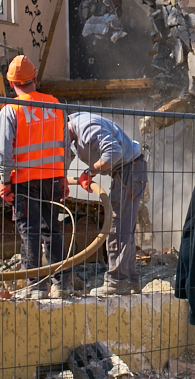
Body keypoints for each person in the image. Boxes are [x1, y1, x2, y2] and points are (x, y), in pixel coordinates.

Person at [0, 54, 71, 298]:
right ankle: (61, 284)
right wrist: (62, 177)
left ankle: (35, 286)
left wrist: (5, 181)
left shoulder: (11, 110)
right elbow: (65, 147)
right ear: (35, 78)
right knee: (53, 229)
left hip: (25, 182)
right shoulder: (55, 105)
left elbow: (4, 152)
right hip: (51, 179)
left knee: (30, 230)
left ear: (11, 83)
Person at [66, 110, 148, 296]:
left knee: (117, 227)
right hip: (128, 171)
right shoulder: (74, 132)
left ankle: (116, 282)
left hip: (129, 171)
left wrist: (89, 172)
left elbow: (114, 152)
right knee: (124, 228)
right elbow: (68, 155)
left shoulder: (86, 127)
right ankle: (131, 281)